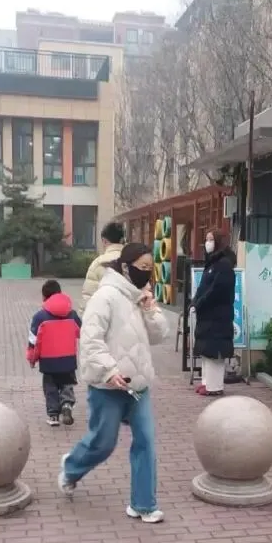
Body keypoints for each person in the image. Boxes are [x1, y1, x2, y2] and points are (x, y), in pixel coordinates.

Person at [58, 243, 170, 523]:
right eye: (142, 267)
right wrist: (109, 371)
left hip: (138, 387)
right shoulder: (104, 297)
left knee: (146, 442)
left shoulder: (140, 297)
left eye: (150, 268)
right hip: (108, 387)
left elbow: (159, 336)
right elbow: (90, 340)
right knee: (103, 443)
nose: (146, 273)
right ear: (126, 267)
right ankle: (71, 467)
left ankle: (143, 505)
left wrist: (151, 310)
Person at [26, 279, 82, 427]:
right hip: (68, 359)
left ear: (44, 297)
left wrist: (32, 358)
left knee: (50, 387)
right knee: (67, 383)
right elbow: (81, 331)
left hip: (48, 361)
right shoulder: (72, 314)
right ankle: (67, 405)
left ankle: (53, 416)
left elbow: (33, 341)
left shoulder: (39, 317)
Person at [190, 229, 237, 396]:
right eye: (206, 239)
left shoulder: (224, 265)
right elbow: (203, 287)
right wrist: (195, 302)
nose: (207, 243)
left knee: (215, 352)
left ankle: (214, 386)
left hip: (218, 316)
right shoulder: (211, 263)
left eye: (211, 239)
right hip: (207, 316)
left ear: (218, 242)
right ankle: (206, 382)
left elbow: (216, 290)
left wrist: (200, 303)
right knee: (206, 350)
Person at [80, 221, 126, 310]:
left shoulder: (98, 263)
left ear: (104, 241)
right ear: (122, 240)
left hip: (103, 313)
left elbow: (89, 296)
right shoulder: (132, 261)